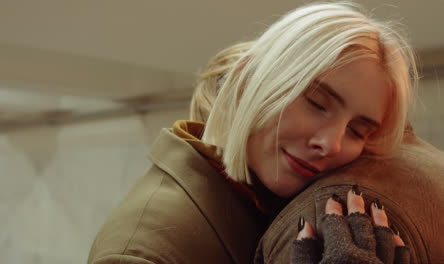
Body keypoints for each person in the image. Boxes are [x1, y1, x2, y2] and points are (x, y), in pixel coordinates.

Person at [87, 2, 419, 264]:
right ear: (248, 81)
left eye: (357, 131)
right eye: (317, 103)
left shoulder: (265, 197)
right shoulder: (141, 251)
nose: (331, 144)